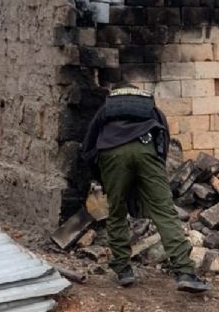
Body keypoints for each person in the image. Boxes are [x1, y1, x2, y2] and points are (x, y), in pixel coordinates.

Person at [81, 83, 209, 294]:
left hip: (112, 154)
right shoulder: (150, 108)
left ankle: (123, 270)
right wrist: (157, 164)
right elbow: (164, 138)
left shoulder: (106, 108)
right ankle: (185, 272)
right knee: (164, 211)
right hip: (146, 150)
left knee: (117, 211)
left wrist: (98, 174)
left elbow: (89, 144)